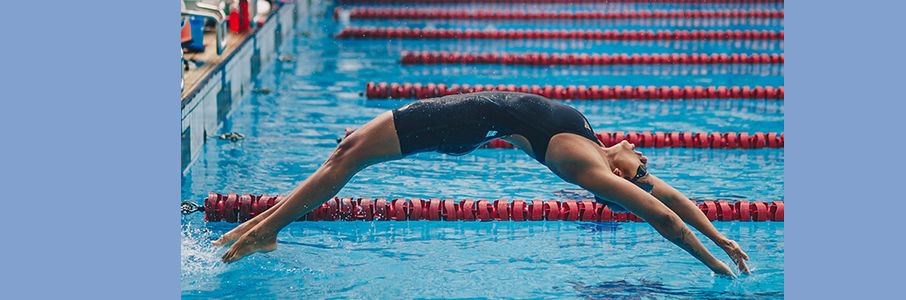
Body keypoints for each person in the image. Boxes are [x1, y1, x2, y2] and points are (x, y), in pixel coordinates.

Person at [213, 91, 749, 276]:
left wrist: (710, 259)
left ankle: (261, 232)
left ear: (618, 175)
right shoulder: (592, 142)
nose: (645, 160)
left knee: (349, 156)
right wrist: (721, 235)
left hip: (460, 120)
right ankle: (256, 228)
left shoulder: (583, 164)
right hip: (466, 113)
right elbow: (673, 198)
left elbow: (661, 214)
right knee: (346, 155)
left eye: (640, 171)